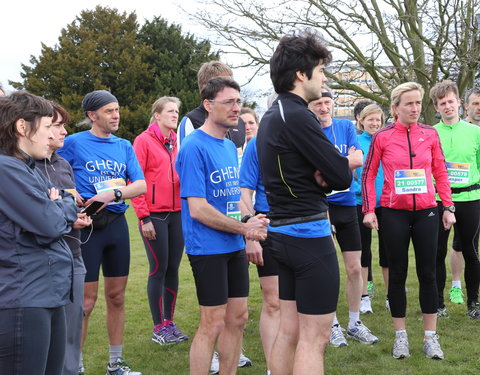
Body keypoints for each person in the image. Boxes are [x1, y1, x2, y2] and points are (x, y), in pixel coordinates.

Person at [257, 29, 352, 375]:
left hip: (282, 234)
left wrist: (323, 172)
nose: (323, 76)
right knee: (315, 337)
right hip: (307, 237)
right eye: (320, 69)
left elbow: (317, 172)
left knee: (290, 331)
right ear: (301, 74)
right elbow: (341, 176)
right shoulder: (298, 115)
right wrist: (338, 167)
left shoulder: (272, 115)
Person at [176, 77, 268, 375]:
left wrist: (249, 221)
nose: (236, 109)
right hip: (207, 247)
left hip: (233, 244)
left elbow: (233, 197)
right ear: (208, 105)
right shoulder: (193, 147)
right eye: (228, 102)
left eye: (238, 102)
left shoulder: (229, 146)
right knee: (212, 322)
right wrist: (245, 229)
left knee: (238, 317)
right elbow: (198, 209)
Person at [363, 81, 456, 360]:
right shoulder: (382, 136)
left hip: (428, 211)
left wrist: (448, 206)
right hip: (393, 213)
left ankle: (430, 338)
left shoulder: (429, 134)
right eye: (409, 104)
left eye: (418, 103)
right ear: (395, 108)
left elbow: (440, 171)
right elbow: (368, 175)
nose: (415, 108)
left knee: (428, 273)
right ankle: (400, 336)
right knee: (398, 274)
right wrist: (369, 209)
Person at [58, 90, 146, 375]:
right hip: (88, 226)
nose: (116, 115)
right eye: (109, 111)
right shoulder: (72, 142)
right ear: (92, 116)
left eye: (117, 109)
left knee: (117, 297)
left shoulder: (124, 145)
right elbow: (50, 170)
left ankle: (116, 364)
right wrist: (70, 195)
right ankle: (76, 366)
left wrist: (113, 194)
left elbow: (141, 185)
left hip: (117, 225)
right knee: (85, 302)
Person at [0, 92, 78, 375]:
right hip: (24, 298)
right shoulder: (6, 168)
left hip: (49, 293)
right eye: (47, 126)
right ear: (22, 127)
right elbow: (51, 224)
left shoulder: (27, 166)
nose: (53, 135)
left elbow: (59, 209)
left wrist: (60, 204)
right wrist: (60, 206)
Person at [309, 87, 379, 347]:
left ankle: (354, 322)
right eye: (318, 103)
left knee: (354, 267)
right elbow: (308, 167)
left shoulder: (345, 127)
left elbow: (358, 158)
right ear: (310, 107)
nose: (324, 108)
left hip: (347, 202)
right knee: (327, 269)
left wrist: (327, 164)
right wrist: (341, 161)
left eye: (327, 102)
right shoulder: (308, 130)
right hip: (319, 205)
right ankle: (333, 324)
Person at [35, 101, 92, 375]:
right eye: (56, 125)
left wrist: (76, 215)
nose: (63, 131)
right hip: (42, 264)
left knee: (71, 330)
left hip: (73, 256)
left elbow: (67, 206)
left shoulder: (63, 164)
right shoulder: (24, 168)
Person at [131, 96, 188, 344]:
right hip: (154, 215)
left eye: (177, 111)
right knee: (158, 269)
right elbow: (136, 180)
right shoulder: (143, 141)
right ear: (156, 115)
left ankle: (170, 323)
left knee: (173, 269)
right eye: (170, 111)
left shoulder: (177, 142)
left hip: (177, 214)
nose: (175, 115)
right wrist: (144, 217)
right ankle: (158, 328)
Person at [429, 81, 480, 319]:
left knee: (471, 251)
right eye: (442, 103)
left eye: (451, 101)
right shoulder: (430, 133)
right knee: (437, 252)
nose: (447, 106)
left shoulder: (475, 132)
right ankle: (438, 304)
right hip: (439, 201)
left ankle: (473, 302)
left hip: (470, 198)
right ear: (436, 108)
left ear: (459, 103)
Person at [240, 125, 280, 373]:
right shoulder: (257, 144)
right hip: (267, 226)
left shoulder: (307, 137)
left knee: (298, 304)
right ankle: (273, 368)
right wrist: (250, 232)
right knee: (274, 301)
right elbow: (244, 190)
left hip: (305, 228)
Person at [353, 104, 388, 314]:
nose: (374, 123)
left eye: (378, 120)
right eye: (370, 119)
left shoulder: (387, 139)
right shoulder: (356, 142)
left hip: (386, 203)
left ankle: (392, 296)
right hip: (361, 203)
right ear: (361, 120)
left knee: (389, 252)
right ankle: (364, 296)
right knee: (363, 252)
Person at [447, 86, 480, 298]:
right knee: (460, 244)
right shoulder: (460, 129)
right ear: (465, 105)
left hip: (474, 195)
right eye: (475, 103)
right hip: (451, 196)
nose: (479, 108)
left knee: (471, 245)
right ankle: (456, 286)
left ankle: (472, 297)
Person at [178, 61, 246, 150]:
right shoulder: (191, 121)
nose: (229, 87)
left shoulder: (239, 122)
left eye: (230, 81)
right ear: (206, 87)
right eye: (222, 83)